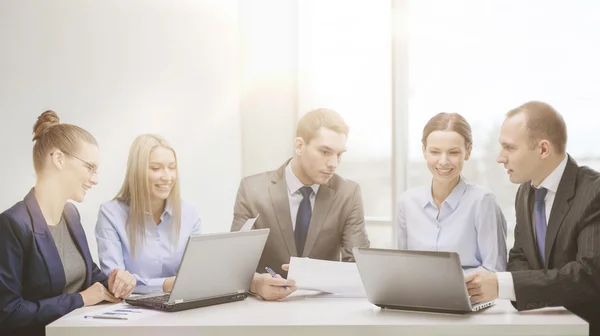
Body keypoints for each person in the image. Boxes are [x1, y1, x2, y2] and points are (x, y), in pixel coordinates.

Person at [465, 101, 600, 335]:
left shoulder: (594, 193)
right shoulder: (526, 192)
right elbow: (519, 255)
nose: (500, 157)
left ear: (543, 149)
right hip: (541, 325)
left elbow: (587, 276)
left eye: (509, 148)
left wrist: (501, 285)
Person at [0, 110, 136, 335]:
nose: (95, 179)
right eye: (90, 167)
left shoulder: (71, 214)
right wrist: (80, 299)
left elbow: (88, 275)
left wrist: (115, 281)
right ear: (59, 159)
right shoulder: (13, 224)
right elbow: (8, 313)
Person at [231, 108, 370, 301]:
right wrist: (256, 283)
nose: (333, 163)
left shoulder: (348, 193)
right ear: (299, 146)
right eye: (325, 152)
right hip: (264, 309)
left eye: (339, 154)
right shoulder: (252, 190)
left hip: (323, 309)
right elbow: (235, 264)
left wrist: (313, 273)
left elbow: (359, 268)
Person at [397, 113, 507, 272]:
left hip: (470, 296)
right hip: (417, 296)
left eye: (453, 152)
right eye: (435, 152)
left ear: (467, 152)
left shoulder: (483, 201)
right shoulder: (407, 202)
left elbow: (495, 270)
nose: (443, 161)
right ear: (424, 151)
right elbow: (402, 267)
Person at [95, 134, 202, 294]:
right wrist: (166, 285)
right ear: (136, 172)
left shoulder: (189, 214)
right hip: (133, 309)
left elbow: (197, 274)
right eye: (156, 168)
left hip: (181, 303)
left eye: (171, 167)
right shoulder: (111, 214)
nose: (167, 177)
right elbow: (116, 283)